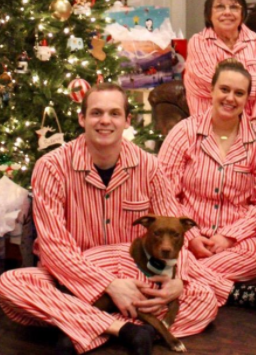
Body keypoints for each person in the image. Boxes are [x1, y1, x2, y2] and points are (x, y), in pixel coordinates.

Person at [0, 83, 220, 355]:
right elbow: (54, 247)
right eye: (96, 113)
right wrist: (108, 284)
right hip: (73, 278)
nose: (105, 121)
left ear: (127, 120)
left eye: (115, 113)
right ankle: (127, 330)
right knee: (10, 285)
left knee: (204, 298)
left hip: (137, 276)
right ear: (82, 118)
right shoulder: (51, 167)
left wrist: (178, 278)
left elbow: (174, 227)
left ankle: (88, 327)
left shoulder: (149, 166)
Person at [159, 59, 256, 311]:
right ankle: (230, 290)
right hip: (184, 232)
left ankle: (175, 282)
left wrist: (229, 236)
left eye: (239, 93)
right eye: (224, 89)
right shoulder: (184, 132)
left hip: (239, 238)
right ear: (212, 90)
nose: (230, 98)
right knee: (163, 248)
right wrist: (190, 237)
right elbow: (165, 194)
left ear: (247, 98)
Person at [184, 0, 256, 134]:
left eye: (234, 7)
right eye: (220, 7)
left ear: (243, 13)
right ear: (209, 14)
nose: (227, 12)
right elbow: (209, 81)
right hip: (211, 126)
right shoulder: (199, 42)